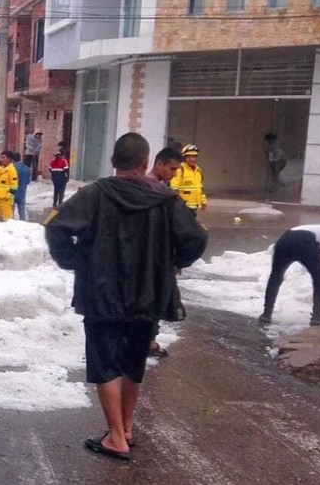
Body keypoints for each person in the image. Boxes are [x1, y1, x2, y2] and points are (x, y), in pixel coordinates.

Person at [45, 133, 208, 462]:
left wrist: (75, 261)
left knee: (105, 362)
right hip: (148, 295)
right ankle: (127, 427)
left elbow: (55, 227)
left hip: (102, 295)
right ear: (147, 163)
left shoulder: (93, 195)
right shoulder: (166, 200)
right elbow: (196, 238)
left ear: (113, 162)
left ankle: (115, 437)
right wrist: (174, 262)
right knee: (134, 362)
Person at [146, 147, 185, 359]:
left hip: (157, 258)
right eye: (171, 168)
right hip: (154, 260)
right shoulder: (154, 192)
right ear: (158, 164)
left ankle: (148, 341)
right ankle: (147, 342)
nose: (173, 173)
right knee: (155, 300)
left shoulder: (161, 190)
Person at [171, 144, 207, 213]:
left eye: (194, 157)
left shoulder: (198, 170)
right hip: (183, 207)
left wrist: (203, 201)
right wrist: (178, 203)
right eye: (189, 157)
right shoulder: (180, 169)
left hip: (194, 207)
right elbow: (174, 187)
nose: (192, 159)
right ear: (184, 157)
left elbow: (200, 188)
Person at [0, 150, 18, 223]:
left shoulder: (11, 170)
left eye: (3, 158)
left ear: (9, 159)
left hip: (5, 200)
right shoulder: (1, 169)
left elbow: (14, 186)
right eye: (1, 157)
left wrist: (8, 197)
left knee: (6, 220)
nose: (1, 159)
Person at [265, 133, 287, 202]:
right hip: (279, 162)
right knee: (275, 177)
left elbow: (274, 157)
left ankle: (272, 194)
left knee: (275, 178)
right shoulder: (276, 145)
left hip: (277, 162)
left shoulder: (273, 146)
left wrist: (270, 160)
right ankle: (277, 189)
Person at [11, 151, 31, 220]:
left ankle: (11, 223)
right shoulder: (27, 168)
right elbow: (28, 181)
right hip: (22, 192)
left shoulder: (12, 168)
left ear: (12, 159)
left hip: (13, 192)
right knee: (22, 211)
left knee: (11, 211)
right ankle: (23, 223)